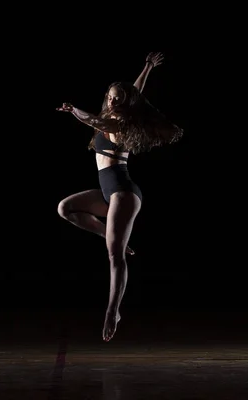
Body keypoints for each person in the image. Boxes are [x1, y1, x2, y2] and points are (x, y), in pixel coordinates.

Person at [56, 52, 183, 342]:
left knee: (114, 257)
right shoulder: (109, 115)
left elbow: (93, 121)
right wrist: (148, 66)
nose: (113, 102)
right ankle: (112, 238)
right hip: (108, 192)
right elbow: (136, 90)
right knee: (66, 208)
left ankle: (113, 311)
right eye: (111, 97)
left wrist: (75, 111)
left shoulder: (118, 123)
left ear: (125, 104)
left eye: (118, 99)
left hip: (123, 193)